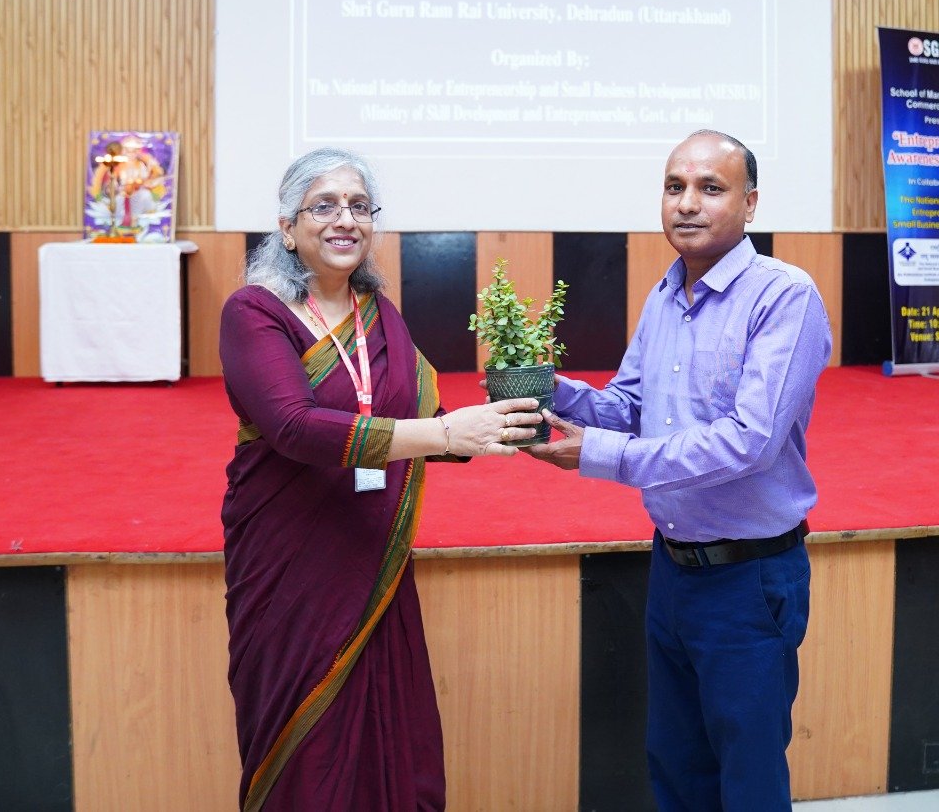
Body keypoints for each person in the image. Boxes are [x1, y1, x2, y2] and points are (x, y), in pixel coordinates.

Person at [218, 147, 541, 812]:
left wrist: (498, 429)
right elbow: (295, 427)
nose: (346, 219)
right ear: (288, 228)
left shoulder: (378, 313)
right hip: (289, 564)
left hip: (375, 559)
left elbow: (419, 422)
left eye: (359, 206)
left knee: (394, 743)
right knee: (307, 752)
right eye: (324, 206)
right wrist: (445, 436)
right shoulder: (255, 311)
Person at [530, 130, 833, 811]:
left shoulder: (783, 296)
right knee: (676, 766)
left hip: (749, 578)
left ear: (750, 204)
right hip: (672, 569)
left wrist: (601, 456)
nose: (687, 203)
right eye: (675, 187)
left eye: (710, 188)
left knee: (747, 780)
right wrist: (549, 389)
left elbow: (749, 442)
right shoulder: (665, 294)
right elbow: (630, 407)